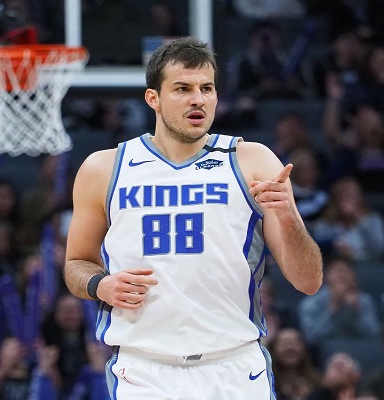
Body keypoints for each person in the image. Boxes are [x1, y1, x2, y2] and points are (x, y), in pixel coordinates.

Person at [63, 36, 323, 399]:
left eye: (207, 88)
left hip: (234, 365)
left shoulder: (254, 161)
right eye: (182, 89)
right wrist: (100, 285)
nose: (198, 99)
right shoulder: (104, 168)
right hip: (143, 369)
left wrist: (289, 219)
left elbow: (309, 281)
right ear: (153, 98)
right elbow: (75, 264)